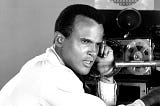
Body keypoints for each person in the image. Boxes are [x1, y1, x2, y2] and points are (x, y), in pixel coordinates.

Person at [0, 4, 160, 106]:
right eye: (85, 41)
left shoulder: (41, 64)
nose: (93, 52)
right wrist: (152, 98)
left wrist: (106, 75)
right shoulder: (54, 76)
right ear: (59, 39)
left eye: (97, 44)